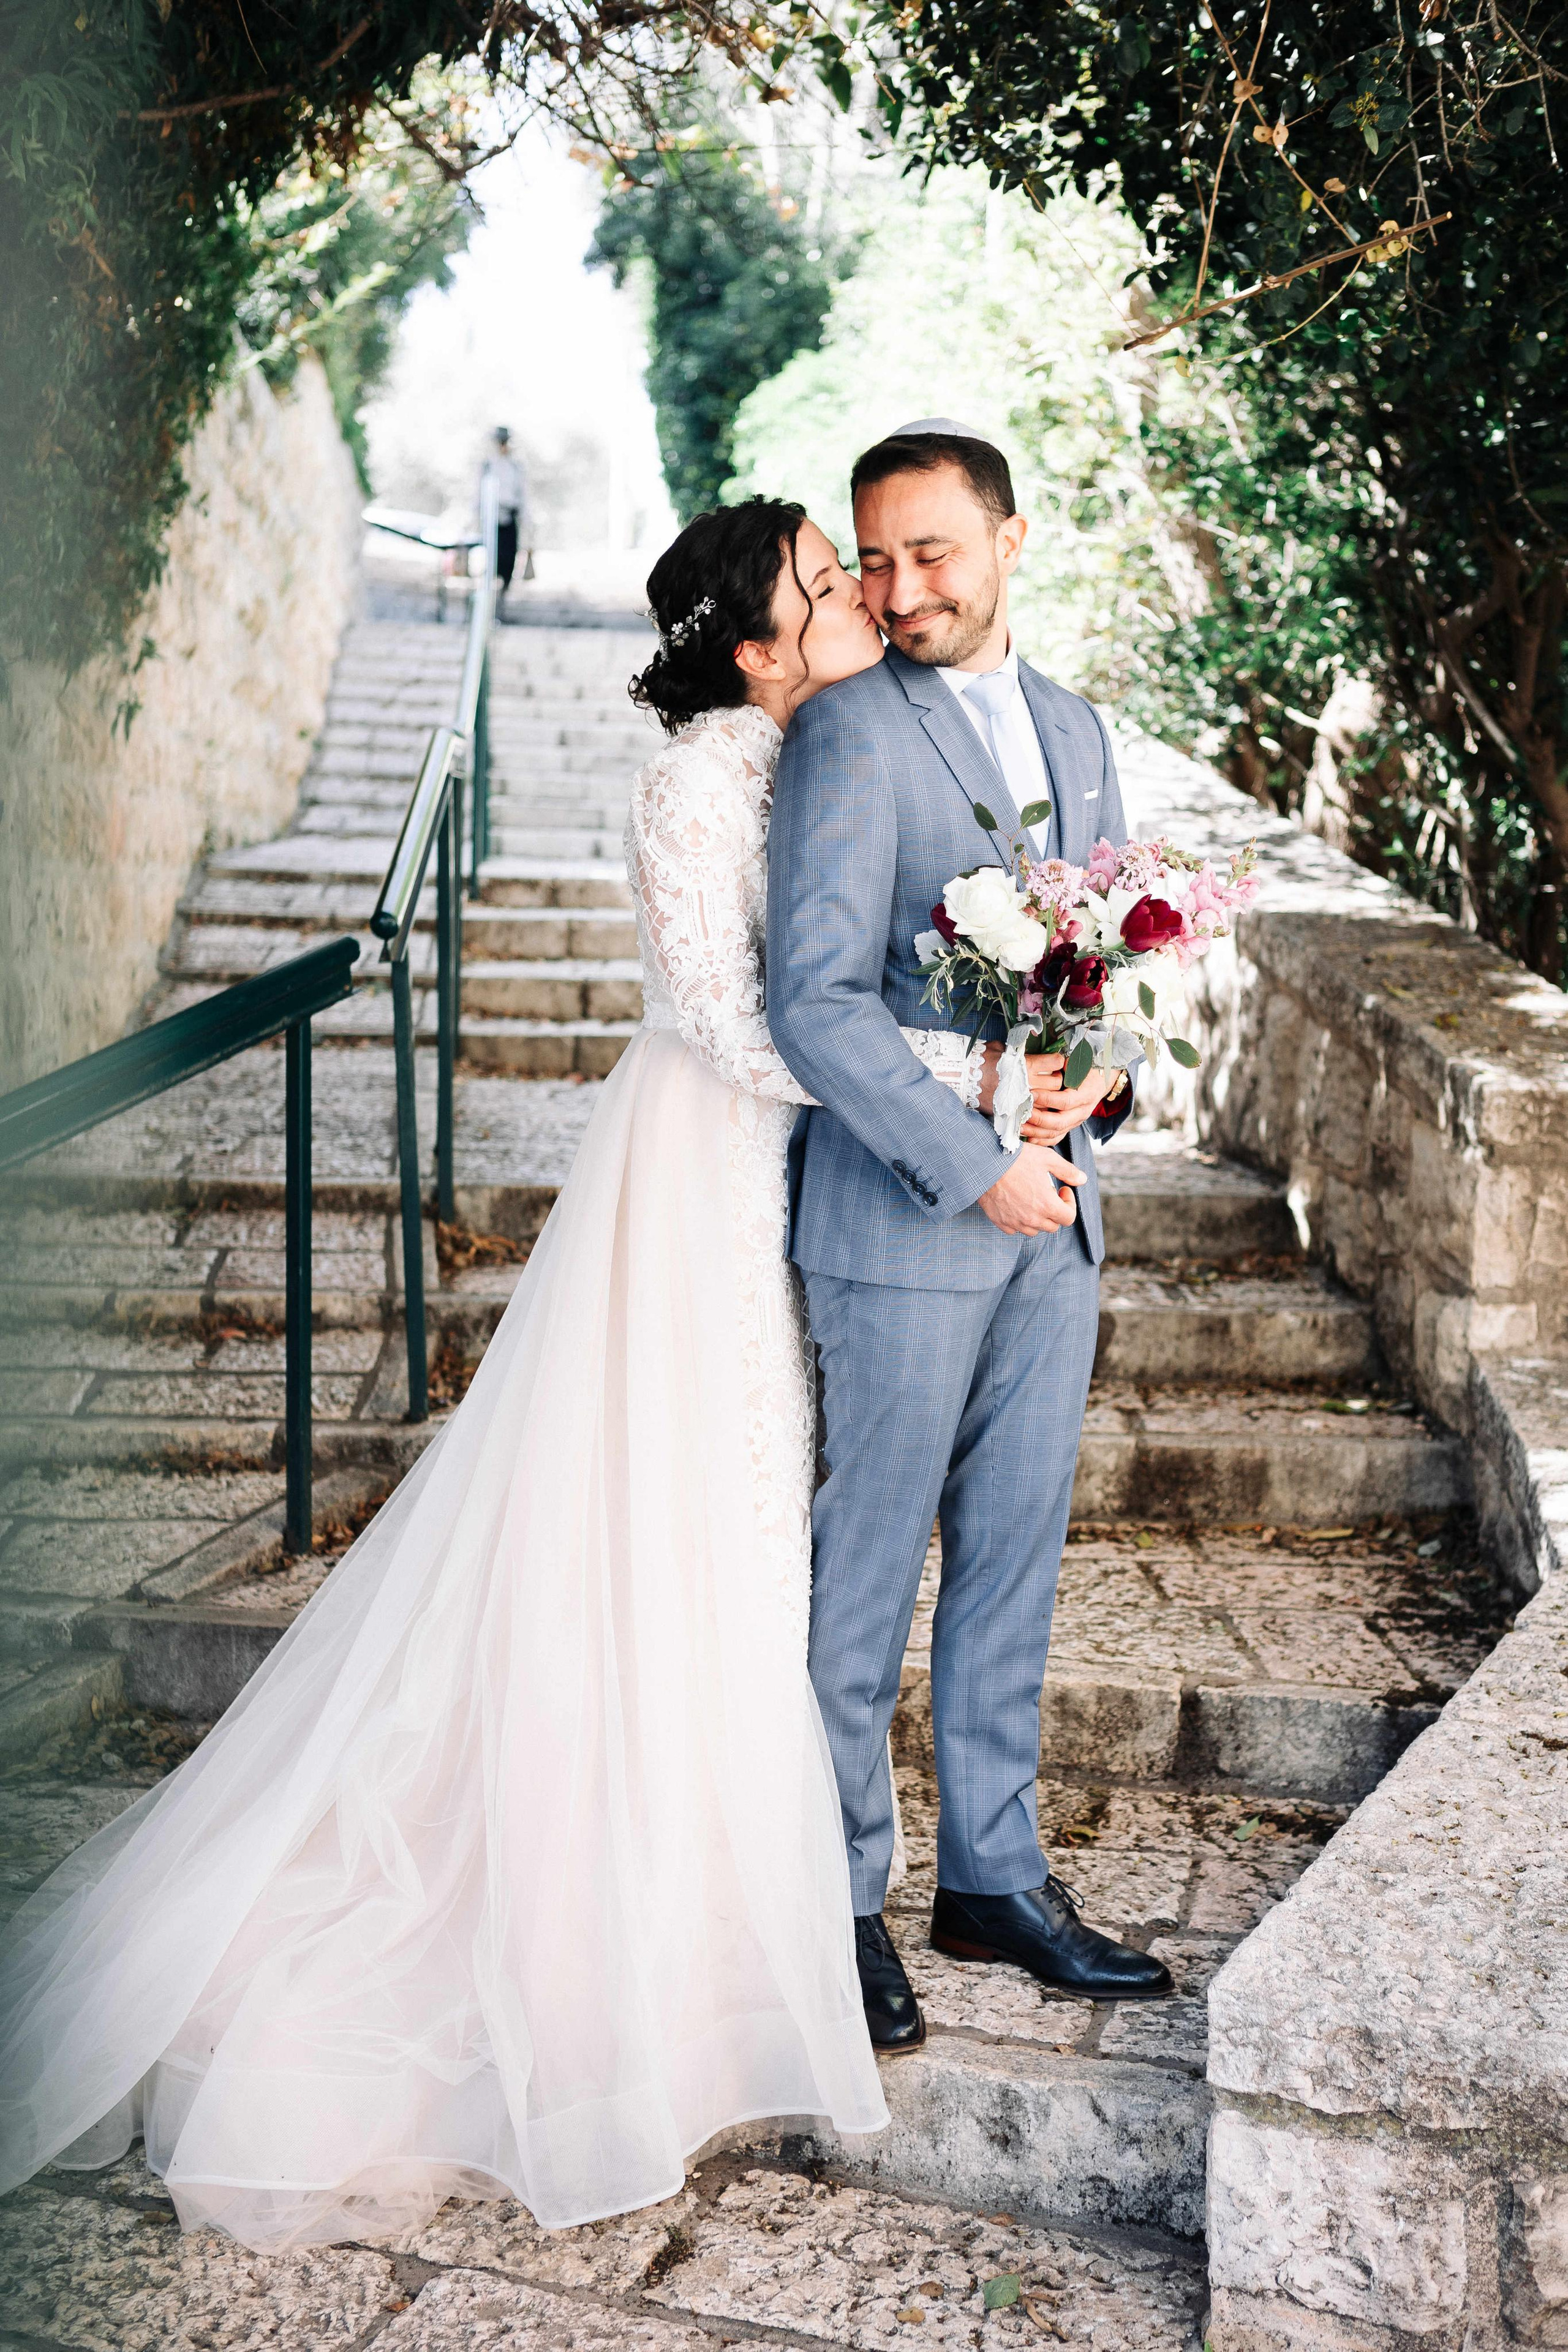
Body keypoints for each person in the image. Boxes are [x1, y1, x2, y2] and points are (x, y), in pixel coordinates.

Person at [0, 497, 1006, 2251]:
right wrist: (952, 1079)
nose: (857, 593)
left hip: (779, 1176)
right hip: (692, 1175)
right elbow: (734, 1018)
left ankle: (725, 1902)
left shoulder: (822, 752)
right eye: (822, 580)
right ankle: (623, 1935)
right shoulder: (700, 780)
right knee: (680, 1515)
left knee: (747, 1524)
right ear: (755, 648)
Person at [767, 421, 1173, 2051]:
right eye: (874, 559)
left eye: (931, 552)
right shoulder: (847, 733)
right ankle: (833, 1898)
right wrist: (971, 1162)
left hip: (1058, 1220)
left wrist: (1103, 1082)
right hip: (904, 1219)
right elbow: (814, 1000)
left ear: (1010, 542)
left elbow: (1111, 959)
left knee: (1012, 1566)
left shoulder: (1077, 728)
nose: (898, 587)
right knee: (863, 1579)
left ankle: (992, 1879)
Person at [478, 426, 531, 607]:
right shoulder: (487, 466)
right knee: (493, 558)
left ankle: (503, 594)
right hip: (492, 519)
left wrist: (527, 523)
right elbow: (478, 494)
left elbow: (523, 496)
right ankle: (489, 597)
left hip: (510, 517)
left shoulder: (516, 468)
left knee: (509, 559)